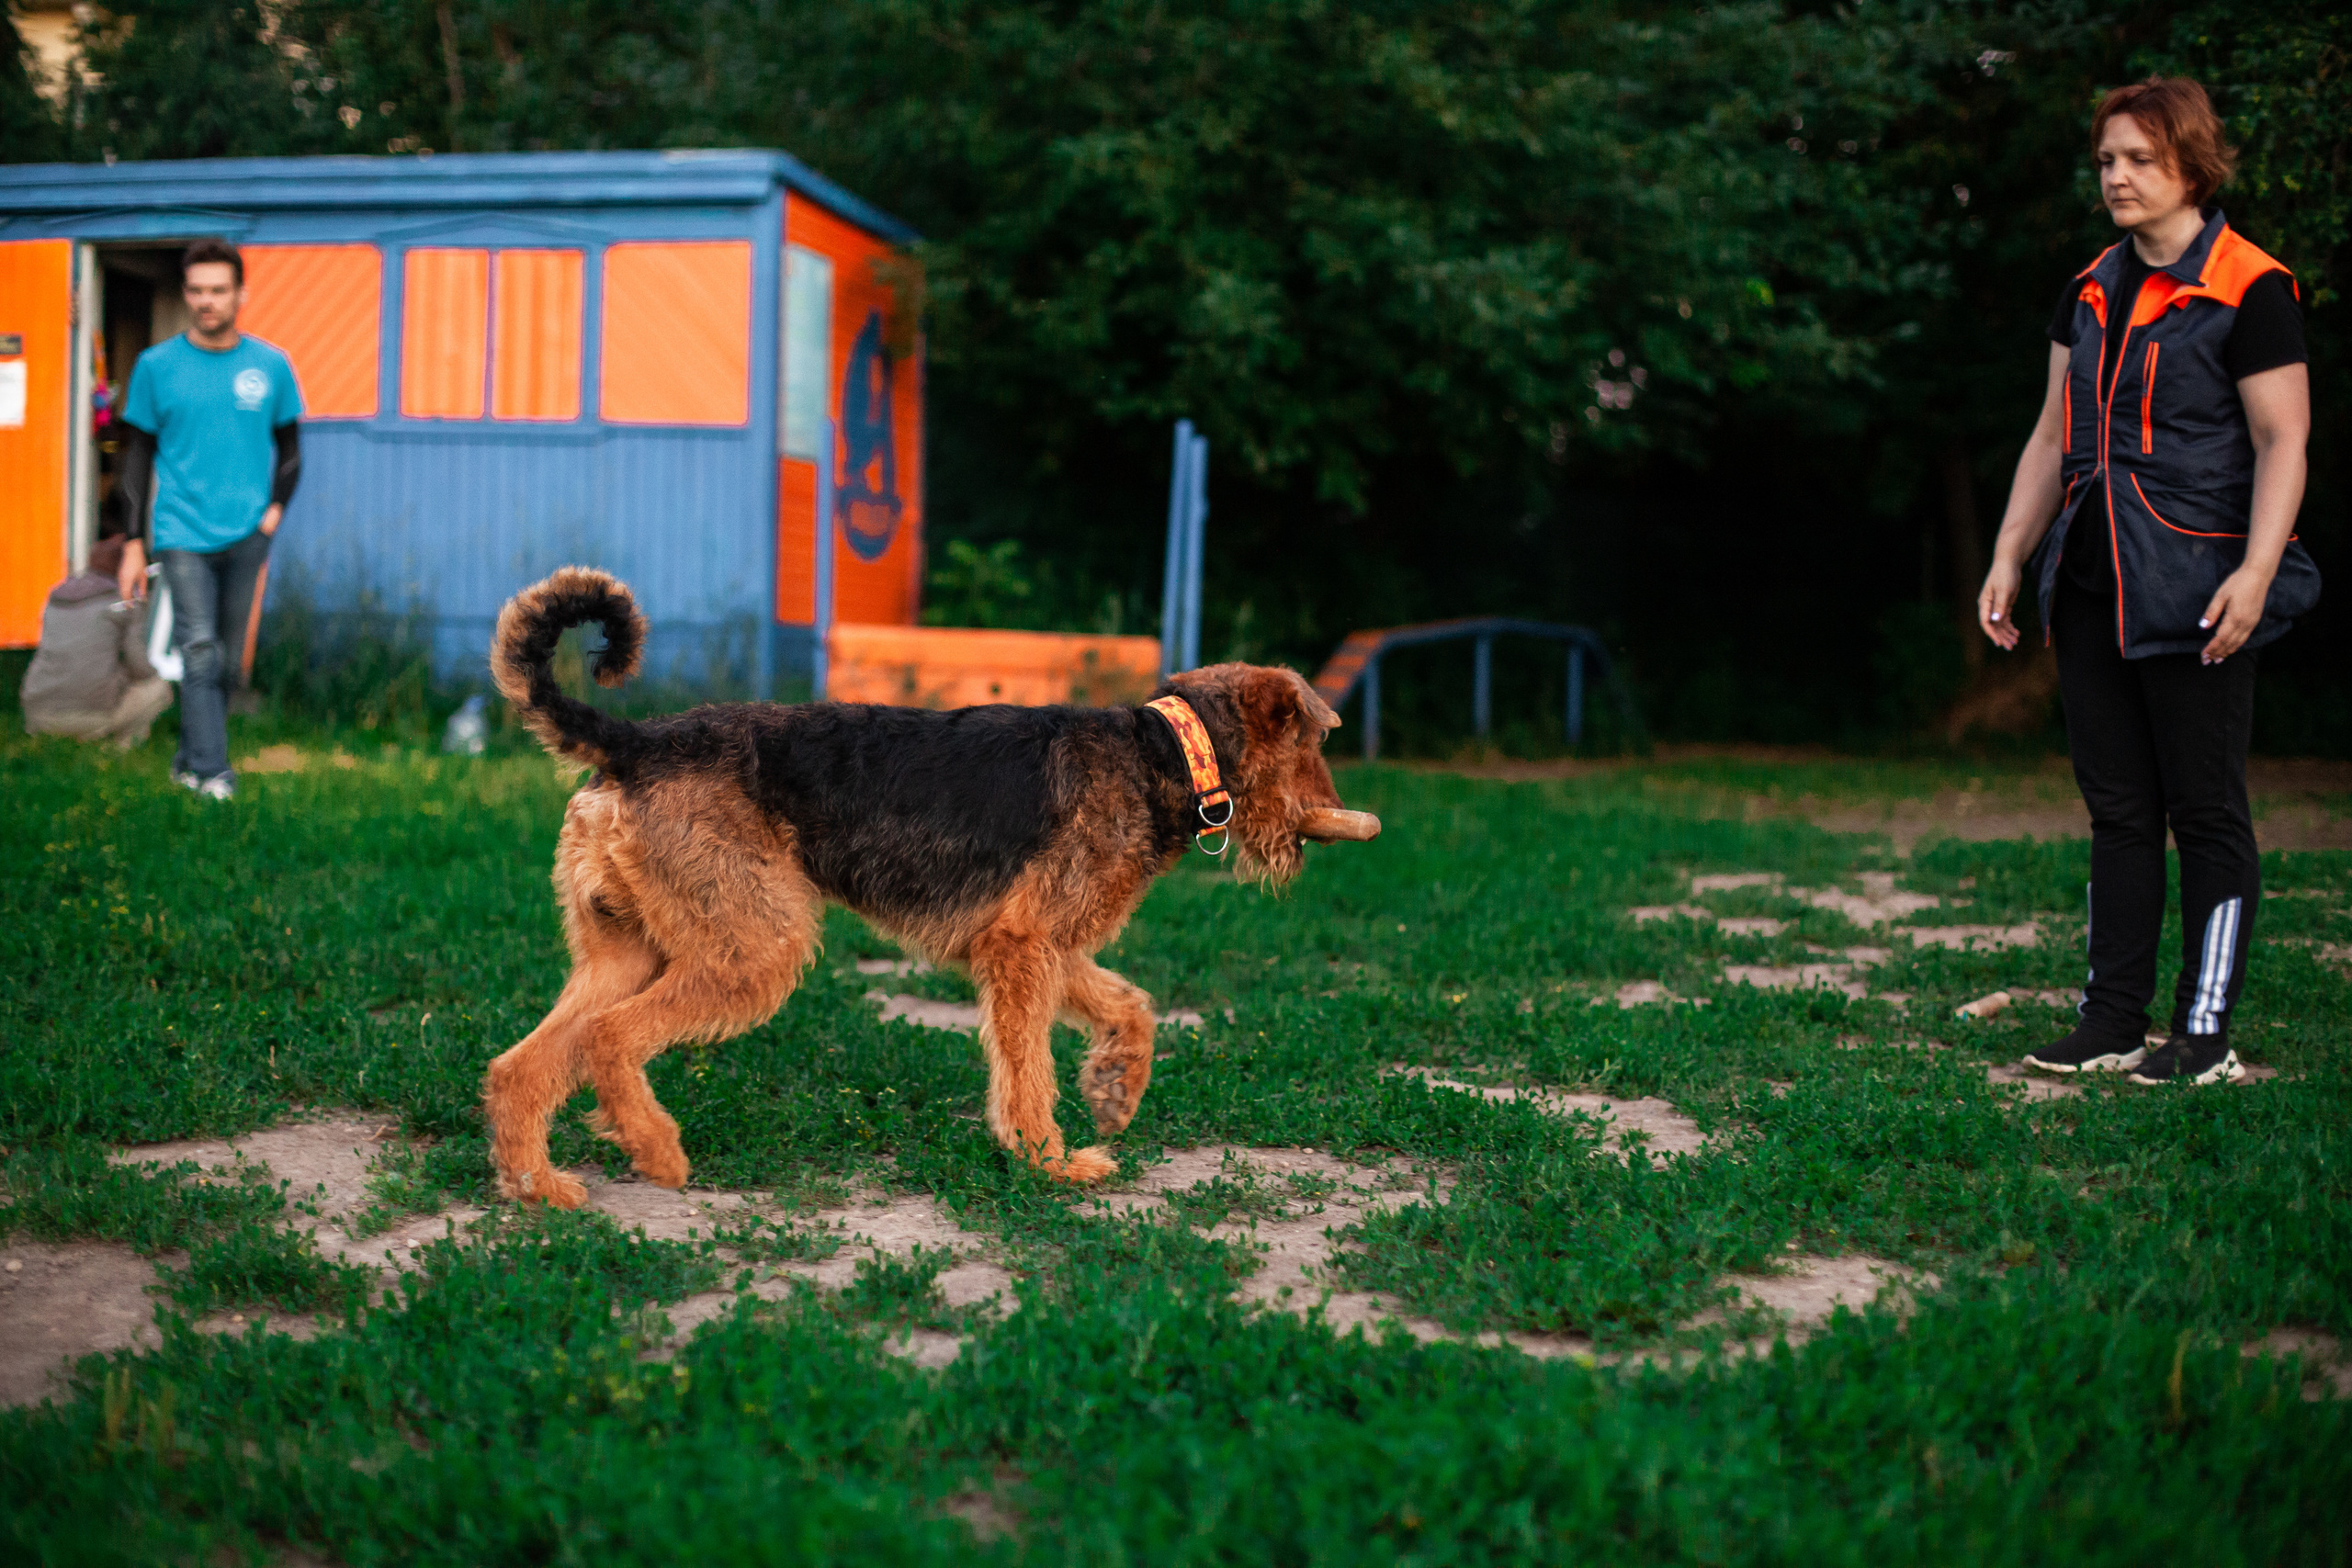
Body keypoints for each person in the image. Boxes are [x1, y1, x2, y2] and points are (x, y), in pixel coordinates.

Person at [1976, 76, 2319, 1088]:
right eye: (2104, 161)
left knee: (2205, 810)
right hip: (2089, 584)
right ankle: (2111, 1020)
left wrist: (2256, 572)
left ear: (2189, 165)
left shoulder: (2249, 287)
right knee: (2119, 810)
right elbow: (2051, 435)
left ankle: (2202, 1033)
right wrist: (2008, 553)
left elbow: (2282, 439)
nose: (2114, 178)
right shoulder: (2087, 286)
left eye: (2135, 159)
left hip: (2198, 585)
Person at [114, 238, 304, 800]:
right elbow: (136, 455)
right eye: (196, 290)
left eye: (218, 290)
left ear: (240, 294)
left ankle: (186, 759)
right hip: (180, 532)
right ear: (186, 294)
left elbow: (291, 448)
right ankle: (214, 773)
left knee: (220, 661)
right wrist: (132, 539)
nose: (207, 301)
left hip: (247, 534)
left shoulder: (269, 366)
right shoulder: (156, 366)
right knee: (198, 649)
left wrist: (270, 517)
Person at [19, 535, 175, 749]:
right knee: (158, 688)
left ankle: (62, 738)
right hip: (86, 716)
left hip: (36, 712)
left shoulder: (56, 595)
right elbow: (140, 668)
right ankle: (119, 748)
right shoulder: (124, 601)